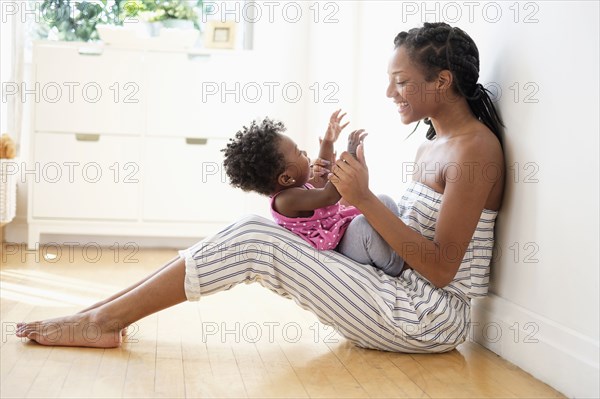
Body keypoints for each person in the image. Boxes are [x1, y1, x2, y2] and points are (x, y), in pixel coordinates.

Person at [16, 22, 505, 353]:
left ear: (442, 82)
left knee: (254, 235)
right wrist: (352, 199)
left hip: (427, 317)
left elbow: (441, 270)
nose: (388, 93)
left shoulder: (474, 151)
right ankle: (102, 313)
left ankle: (104, 321)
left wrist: (363, 200)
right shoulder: (435, 145)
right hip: (397, 293)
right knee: (254, 230)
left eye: (401, 81)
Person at [221, 111, 405, 276]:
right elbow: (329, 195)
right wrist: (350, 156)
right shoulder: (286, 201)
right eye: (298, 152)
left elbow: (322, 174)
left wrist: (328, 142)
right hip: (341, 247)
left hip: (343, 232)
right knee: (364, 227)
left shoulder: (297, 188)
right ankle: (395, 266)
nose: (305, 152)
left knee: (384, 201)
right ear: (286, 178)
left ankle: (399, 250)